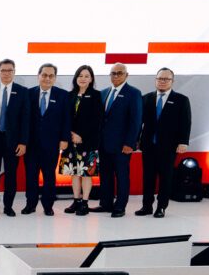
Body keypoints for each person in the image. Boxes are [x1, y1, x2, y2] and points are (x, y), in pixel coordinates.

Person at [137, 67, 191, 218]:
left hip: (169, 146)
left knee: (165, 178)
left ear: (172, 81)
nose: (162, 81)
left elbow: (185, 122)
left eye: (166, 79)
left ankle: (161, 207)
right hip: (148, 145)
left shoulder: (181, 100)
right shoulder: (146, 98)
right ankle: (146, 206)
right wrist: (135, 140)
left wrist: (183, 142)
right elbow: (138, 122)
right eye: (160, 78)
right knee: (148, 177)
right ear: (156, 80)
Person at [95, 63, 143, 217]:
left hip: (122, 145)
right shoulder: (103, 93)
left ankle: (120, 206)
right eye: (113, 73)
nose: (116, 76)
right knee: (105, 175)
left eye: (119, 73)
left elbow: (136, 121)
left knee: (122, 176)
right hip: (103, 144)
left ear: (126, 75)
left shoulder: (133, 93)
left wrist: (130, 143)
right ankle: (106, 203)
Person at [0, 59, 29, 217]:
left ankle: (8, 206)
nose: (7, 73)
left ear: (14, 72)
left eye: (10, 70)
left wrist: (23, 142)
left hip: (13, 142)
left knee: (11, 175)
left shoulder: (23, 91)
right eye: (3, 70)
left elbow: (25, 119)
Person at [23, 63, 70, 216]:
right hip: (31, 144)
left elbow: (66, 119)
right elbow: (23, 119)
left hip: (51, 144)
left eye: (51, 76)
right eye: (44, 75)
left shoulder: (63, 95)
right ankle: (30, 204)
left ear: (55, 78)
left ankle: (48, 206)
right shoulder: (28, 94)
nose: (47, 78)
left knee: (49, 175)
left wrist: (64, 138)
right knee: (31, 175)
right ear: (38, 76)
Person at [62, 65, 102, 216]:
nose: (83, 78)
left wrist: (81, 136)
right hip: (71, 141)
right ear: (76, 78)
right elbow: (64, 118)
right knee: (74, 173)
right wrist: (71, 134)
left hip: (88, 143)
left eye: (86, 76)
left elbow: (96, 121)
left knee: (86, 174)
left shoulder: (96, 95)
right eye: (80, 75)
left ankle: (85, 203)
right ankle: (76, 200)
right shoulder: (69, 95)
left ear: (91, 79)